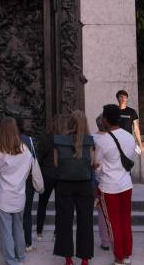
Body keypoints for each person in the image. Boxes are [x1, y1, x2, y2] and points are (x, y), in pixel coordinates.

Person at [0, 117, 42, 265]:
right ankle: (20, 257)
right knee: (18, 228)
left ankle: (10, 260)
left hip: (3, 196)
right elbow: (28, 172)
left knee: (6, 231)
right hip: (19, 195)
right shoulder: (26, 150)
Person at [94, 104, 135, 265]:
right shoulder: (129, 137)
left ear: (105, 120)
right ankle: (127, 253)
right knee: (125, 220)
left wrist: (101, 174)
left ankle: (119, 256)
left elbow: (97, 165)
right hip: (126, 184)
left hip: (108, 187)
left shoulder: (103, 141)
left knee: (113, 223)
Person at [53, 110, 94, 265]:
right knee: (85, 221)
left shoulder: (59, 140)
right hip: (84, 184)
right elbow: (91, 164)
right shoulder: (90, 141)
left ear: (70, 122)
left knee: (64, 221)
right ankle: (84, 259)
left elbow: (56, 164)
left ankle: (68, 258)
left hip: (64, 184)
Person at [36, 114, 62, 241]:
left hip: (47, 174)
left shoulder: (45, 138)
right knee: (59, 205)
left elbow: (39, 157)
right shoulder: (65, 138)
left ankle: (39, 232)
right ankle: (57, 233)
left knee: (42, 204)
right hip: (61, 175)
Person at [92, 113, 111, 251]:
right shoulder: (113, 138)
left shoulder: (92, 138)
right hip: (112, 178)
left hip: (97, 178)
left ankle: (105, 241)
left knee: (101, 211)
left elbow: (93, 161)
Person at [18, 117, 36, 251]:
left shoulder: (8, 140)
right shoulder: (30, 141)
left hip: (13, 183)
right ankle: (28, 242)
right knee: (27, 213)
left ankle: (15, 242)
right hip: (27, 182)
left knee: (15, 214)